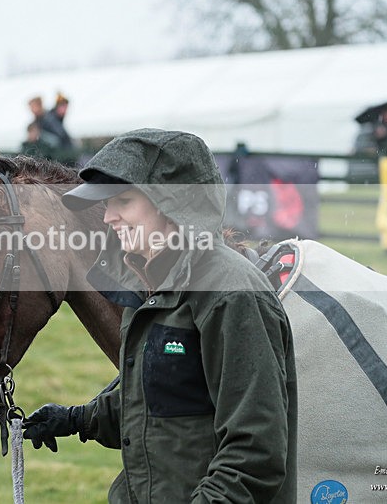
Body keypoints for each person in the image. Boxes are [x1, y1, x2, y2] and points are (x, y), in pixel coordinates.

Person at [23, 129, 298, 503]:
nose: (108, 217)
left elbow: (255, 452)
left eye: (123, 201)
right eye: (106, 204)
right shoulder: (149, 281)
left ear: (173, 204)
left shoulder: (230, 295)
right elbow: (165, 400)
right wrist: (77, 419)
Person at [38, 92, 76, 165]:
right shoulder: (51, 119)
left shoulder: (55, 119)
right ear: (58, 106)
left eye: (66, 107)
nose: (65, 110)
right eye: (63, 107)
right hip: (55, 158)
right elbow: (62, 136)